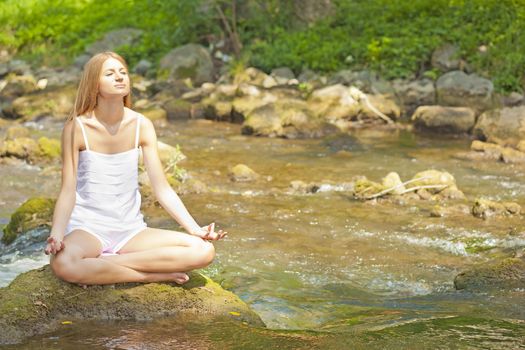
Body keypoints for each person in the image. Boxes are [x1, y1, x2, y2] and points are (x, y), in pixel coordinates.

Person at [44, 51, 226, 286]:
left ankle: (102, 265)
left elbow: (162, 189)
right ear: (94, 84)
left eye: (123, 72)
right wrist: (57, 234)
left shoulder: (141, 125)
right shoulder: (77, 128)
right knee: (63, 263)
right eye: (110, 73)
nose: (120, 77)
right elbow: (68, 191)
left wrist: (195, 229)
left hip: (130, 232)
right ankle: (148, 275)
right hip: (88, 230)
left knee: (203, 251)